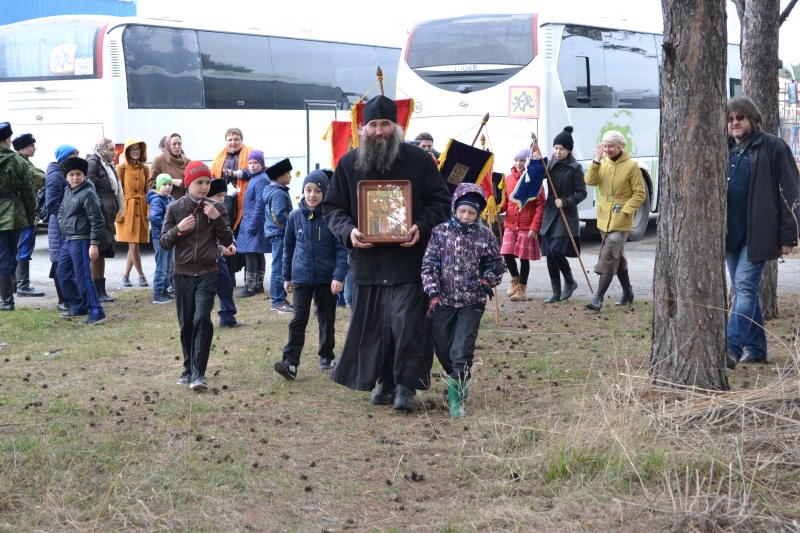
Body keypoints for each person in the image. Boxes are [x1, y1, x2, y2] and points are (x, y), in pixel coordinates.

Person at [323, 95, 451, 411]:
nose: (379, 131)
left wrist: (420, 226)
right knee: (375, 327)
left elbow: (441, 203)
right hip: (367, 263)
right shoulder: (349, 163)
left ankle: (406, 387)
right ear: (363, 128)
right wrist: (349, 232)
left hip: (409, 262)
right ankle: (385, 381)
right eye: (374, 125)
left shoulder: (420, 162)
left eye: (386, 124)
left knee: (407, 325)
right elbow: (332, 208)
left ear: (397, 126)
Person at [724, 97, 800, 369]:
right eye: (731, 118)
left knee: (743, 288)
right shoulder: (723, 148)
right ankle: (756, 349)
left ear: (752, 119)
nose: (735, 123)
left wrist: (788, 236)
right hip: (730, 234)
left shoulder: (773, 146)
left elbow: (791, 193)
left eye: (740, 118)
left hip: (759, 233)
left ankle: (731, 348)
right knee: (746, 291)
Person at [421, 183, 505, 418]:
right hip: (443, 301)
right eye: (462, 211)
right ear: (454, 208)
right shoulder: (440, 232)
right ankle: (458, 380)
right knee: (444, 349)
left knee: (462, 350)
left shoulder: (485, 234)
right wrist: (433, 292)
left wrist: (488, 280)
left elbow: (497, 263)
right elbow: (428, 265)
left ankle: (456, 402)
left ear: (477, 214)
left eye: (471, 212)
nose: (466, 216)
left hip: (472, 302)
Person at [159, 161, 234, 391]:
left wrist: (216, 217)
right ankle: (188, 368)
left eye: (207, 182)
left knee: (202, 318)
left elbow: (228, 240)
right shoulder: (175, 208)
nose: (204, 187)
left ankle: (199, 374)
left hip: (207, 272)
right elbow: (163, 242)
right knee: (186, 323)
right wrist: (179, 228)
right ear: (189, 183)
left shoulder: (216, 208)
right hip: (181, 273)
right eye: (199, 182)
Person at [275, 170, 348, 380]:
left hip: (326, 279)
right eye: (308, 190)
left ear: (324, 193)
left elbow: (341, 250)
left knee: (326, 317)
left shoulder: (331, 218)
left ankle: (326, 355)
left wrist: (338, 276)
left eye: (317, 191)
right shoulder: (294, 217)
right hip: (301, 278)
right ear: (303, 192)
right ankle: (290, 362)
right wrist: (286, 276)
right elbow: (288, 248)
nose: (312, 195)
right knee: (298, 318)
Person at [584, 130, 646, 311]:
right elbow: (590, 181)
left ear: (619, 146)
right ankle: (627, 291)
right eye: (605, 146)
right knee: (618, 256)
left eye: (611, 146)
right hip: (604, 218)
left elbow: (639, 193)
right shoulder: (602, 163)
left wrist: (627, 210)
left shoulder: (632, 166)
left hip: (621, 221)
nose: (608, 149)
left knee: (609, 255)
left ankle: (598, 298)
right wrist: (596, 160)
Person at [537, 126, 587, 303]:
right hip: (549, 215)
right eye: (556, 148)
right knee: (549, 254)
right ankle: (556, 291)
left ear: (569, 150)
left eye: (562, 149)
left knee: (556, 250)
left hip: (566, 215)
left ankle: (570, 281)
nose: (558, 152)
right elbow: (536, 176)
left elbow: (582, 192)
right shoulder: (549, 164)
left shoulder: (576, 168)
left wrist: (566, 201)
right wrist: (536, 162)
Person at [56, 156, 106, 325]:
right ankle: (78, 306)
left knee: (84, 277)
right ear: (66, 177)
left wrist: (94, 243)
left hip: (82, 240)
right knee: (62, 273)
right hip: (68, 240)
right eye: (71, 174)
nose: (75, 177)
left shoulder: (88, 193)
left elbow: (97, 220)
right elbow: (62, 212)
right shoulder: (68, 191)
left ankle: (96, 312)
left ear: (84, 175)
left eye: (78, 174)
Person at [499, 148, 545, 302]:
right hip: (511, 222)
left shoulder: (535, 179)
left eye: (522, 161)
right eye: (516, 160)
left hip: (527, 224)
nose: (519, 163)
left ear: (527, 162)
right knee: (506, 253)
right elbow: (505, 202)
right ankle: (515, 279)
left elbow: (540, 205)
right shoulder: (507, 179)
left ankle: (522, 288)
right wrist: (497, 207)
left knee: (523, 257)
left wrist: (534, 226)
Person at [0, 122, 36, 311]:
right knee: (10, 255)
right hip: (13, 214)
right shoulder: (18, 161)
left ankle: (6, 299)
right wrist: (31, 217)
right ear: (7, 139)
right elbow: (28, 193)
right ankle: (7, 300)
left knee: (3, 256)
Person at [210, 128, 252, 285]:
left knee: (243, 242)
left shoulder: (249, 154)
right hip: (225, 204)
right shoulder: (220, 157)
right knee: (226, 239)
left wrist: (236, 174)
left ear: (241, 140)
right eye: (230, 139)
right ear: (226, 141)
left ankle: (250, 280)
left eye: (236, 139)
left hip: (242, 205)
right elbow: (213, 175)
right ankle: (229, 277)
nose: (233, 142)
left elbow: (254, 170)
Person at [86, 138, 124, 302]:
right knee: (95, 254)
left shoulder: (108, 165)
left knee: (102, 253)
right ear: (101, 150)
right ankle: (94, 291)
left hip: (108, 216)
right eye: (110, 149)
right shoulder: (93, 162)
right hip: (99, 216)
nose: (113, 152)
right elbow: (89, 186)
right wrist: (101, 206)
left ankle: (101, 290)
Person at [11, 133, 46, 297]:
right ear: (22, 148)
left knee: (12, 249)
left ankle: (13, 284)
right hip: (24, 213)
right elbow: (41, 180)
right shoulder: (21, 163)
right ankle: (23, 285)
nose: (35, 148)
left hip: (14, 214)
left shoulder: (18, 162)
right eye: (32, 145)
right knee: (23, 249)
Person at [45, 145, 79, 311]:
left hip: (67, 222)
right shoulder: (55, 176)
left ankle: (69, 298)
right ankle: (62, 300)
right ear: (64, 157)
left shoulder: (65, 173)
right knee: (60, 262)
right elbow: (51, 202)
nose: (76, 158)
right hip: (59, 225)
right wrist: (65, 217)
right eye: (73, 155)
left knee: (66, 261)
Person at [116, 139, 151, 288]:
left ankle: (126, 275)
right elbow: (117, 192)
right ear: (127, 152)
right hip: (127, 210)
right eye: (132, 149)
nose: (136, 152)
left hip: (141, 209)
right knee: (134, 246)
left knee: (134, 245)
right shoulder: (120, 168)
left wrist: (149, 209)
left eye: (138, 149)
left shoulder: (145, 169)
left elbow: (148, 191)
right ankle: (141, 276)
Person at [235, 149, 269, 297]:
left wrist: (253, 225)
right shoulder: (255, 177)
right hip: (251, 220)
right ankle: (258, 285)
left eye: (255, 162)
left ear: (262, 164)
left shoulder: (261, 179)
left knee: (251, 253)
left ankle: (250, 287)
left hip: (254, 221)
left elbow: (260, 204)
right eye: (250, 162)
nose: (252, 165)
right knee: (257, 252)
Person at [207, 178, 242, 328]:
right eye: (218, 196)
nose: (222, 199)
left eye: (223, 195)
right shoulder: (201, 213)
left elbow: (227, 231)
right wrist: (221, 248)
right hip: (205, 258)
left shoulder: (221, 209)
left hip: (219, 257)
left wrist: (230, 245)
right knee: (206, 291)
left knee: (226, 285)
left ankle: (227, 318)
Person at [262, 157, 294, 312]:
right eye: (288, 173)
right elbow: (279, 216)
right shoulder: (278, 193)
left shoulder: (277, 191)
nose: (291, 176)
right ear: (280, 177)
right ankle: (277, 302)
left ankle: (281, 298)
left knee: (281, 265)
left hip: (278, 233)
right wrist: (291, 226)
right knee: (279, 267)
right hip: (279, 234)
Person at [147, 174, 175, 304]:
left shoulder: (170, 199)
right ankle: (158, 293)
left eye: (170, 184)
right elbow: (155, 218)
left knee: (169, 264)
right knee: (161, 265)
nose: (168, 187)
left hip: (170, 237)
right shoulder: (157, 200)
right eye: (164, 185)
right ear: (158, 186)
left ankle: (165, 290)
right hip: (161, 237)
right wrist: (168, 228)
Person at [149, 132, 189, 200]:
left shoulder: (188, 161)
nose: (177, 146)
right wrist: (171, 181)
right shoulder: (159, 161)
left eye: (179, 143)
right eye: (174, 144)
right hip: (166, 204)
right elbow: (151, 184)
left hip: (185, 204)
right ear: (168, 146)